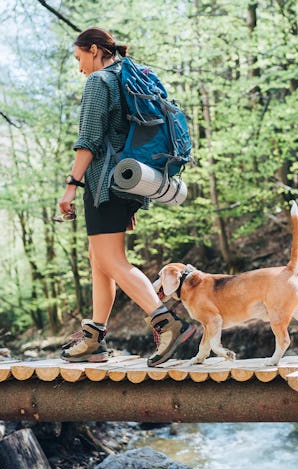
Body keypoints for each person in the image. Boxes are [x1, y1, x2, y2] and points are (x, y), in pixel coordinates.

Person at [57, 27, 195, 367]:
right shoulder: (126, 75)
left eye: (79, 59)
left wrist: (71, 186)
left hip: (106, 181)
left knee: (110, 261)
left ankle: (165, 322)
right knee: (98, 258)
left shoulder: (99, 81)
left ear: (93, 50)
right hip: (128, 180)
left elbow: (88, 139)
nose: (80, 68)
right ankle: (95, 337)